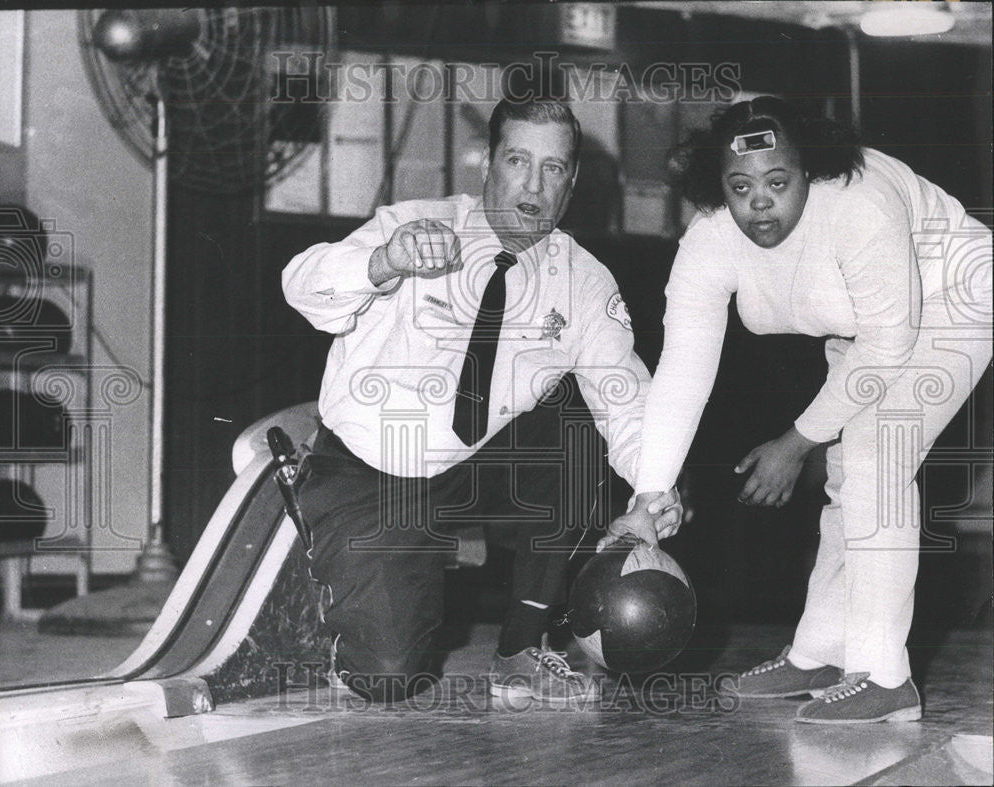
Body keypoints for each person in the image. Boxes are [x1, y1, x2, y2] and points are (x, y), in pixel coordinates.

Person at [603, 96, 993, 724]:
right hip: (864, 329)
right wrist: (648, 498)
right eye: (740, 186)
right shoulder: (708, 239)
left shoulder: (859, 204)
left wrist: (795, 442)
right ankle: (817, 654)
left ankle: (884, 676)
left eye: (778, 181)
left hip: (956, 300)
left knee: (874, 458)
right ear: (718, 189)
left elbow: (891, 341)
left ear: (808, 173)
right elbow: (682, 372)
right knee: (852, 479)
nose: (760, 201)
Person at [282, 98, 681, 704]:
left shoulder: (582, 279)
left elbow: (623, 395)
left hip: (478, 464)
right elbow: (302, 286)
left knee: (572, 424)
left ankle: (521, 649)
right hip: (372, 466)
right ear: (489, 162)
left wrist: (654, 493)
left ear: (571, 181)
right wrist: (383, 262)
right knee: (387, 676)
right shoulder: (413, 224)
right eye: (519, 161)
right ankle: (352, 590)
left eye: (554, 168)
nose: (534, 185)